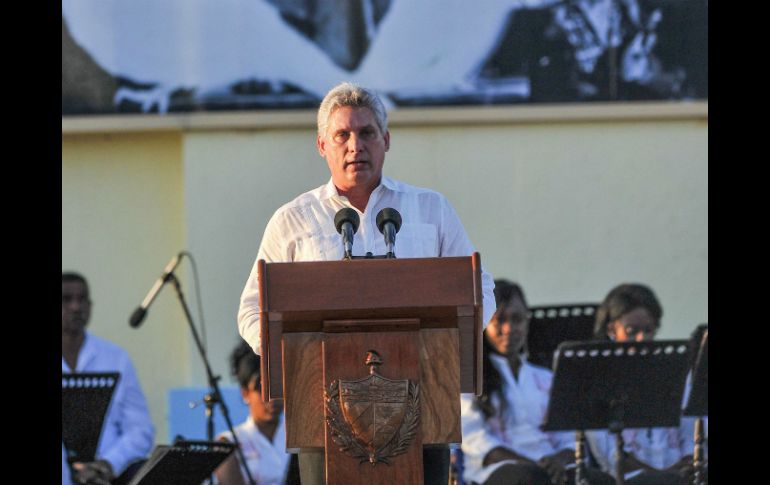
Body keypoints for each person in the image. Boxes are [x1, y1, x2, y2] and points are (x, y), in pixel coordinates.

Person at [238, 81, 496, 485]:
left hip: (424, 404)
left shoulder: (429, 210)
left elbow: (480, 290)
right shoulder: (293, 220)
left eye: (367, 133)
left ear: (386, 140)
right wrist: (291, 361)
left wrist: (446, 349)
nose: (355, 145)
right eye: (342, 135)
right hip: (319, 409)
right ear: (322, 146)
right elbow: (252, 309)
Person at [460, 279, 614, 485]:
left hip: (551, 467)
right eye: (500, 320)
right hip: (497, 471)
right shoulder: (470, 380)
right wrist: (534, 465)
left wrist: (558, 461)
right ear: (484, 324)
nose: (509, 329)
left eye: (517, 319)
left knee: (598, 480)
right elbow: (477, 442)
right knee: (530, 479)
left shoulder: (546, 378)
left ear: (527, 322)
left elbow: (569, 437)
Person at [586, 283, 696, 484]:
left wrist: (687, 464)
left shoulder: (675, 373)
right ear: (612, 330)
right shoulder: (597, 380)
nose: (642, 338)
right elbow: (610, 454)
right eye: (631, 331)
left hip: (680, 477)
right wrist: (662, 477)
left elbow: (691, 437)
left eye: (648, 330)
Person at [62, 272, 155, 485]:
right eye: (66, 299)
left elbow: (140, 429)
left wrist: (109, 464)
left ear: (90, 305)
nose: (76, 307)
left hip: (111, 475)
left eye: (82, 299)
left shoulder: (116, 358)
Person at [214, 340, 299, 485]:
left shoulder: (300, 435)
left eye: (278, 387)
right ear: (245, 393)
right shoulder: (228, 442)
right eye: (261, 388)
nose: (272, 397)